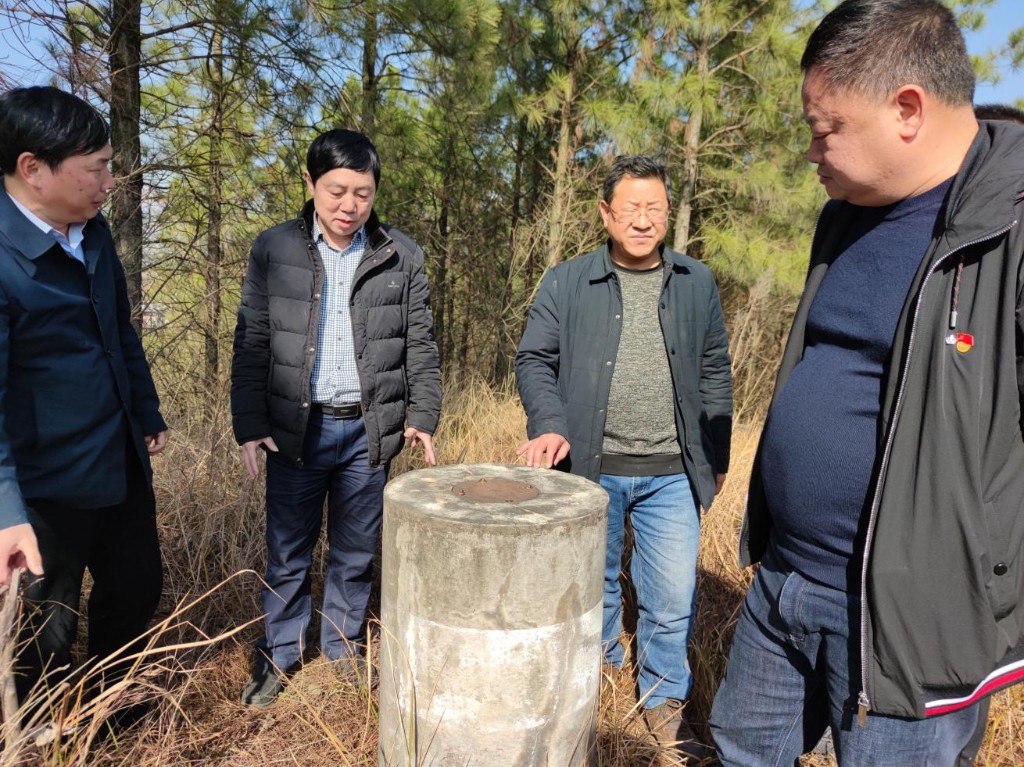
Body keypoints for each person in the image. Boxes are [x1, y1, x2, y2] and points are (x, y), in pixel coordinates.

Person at [708, 2, 1024, 765]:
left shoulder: (1008, 230)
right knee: (740, 750)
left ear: (907, 109)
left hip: (913, 621)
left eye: (826, 129)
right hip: (785, 579)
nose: (811, 151)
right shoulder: (845, 215)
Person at [515, 155, 733, 760]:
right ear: (605, 213)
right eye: (630, 208)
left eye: (654, 208)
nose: (642, 220)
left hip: (673, 471)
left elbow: (715, 370)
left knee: (672, 597)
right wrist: (549, 423)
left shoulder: (696, 282)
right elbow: (534, 359)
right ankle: (605, 683)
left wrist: (716, 453)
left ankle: (664, 705)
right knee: (596, 585)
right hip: (590, 467)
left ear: (668, 213)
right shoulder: (567, 281)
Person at [231, 128, 441, 707]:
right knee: (288, 552)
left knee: (355, 553)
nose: (350, 206)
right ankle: (281, 653)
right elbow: (251, 342)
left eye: (363, 194)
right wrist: (249, 423)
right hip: (296, 430)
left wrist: (422, 414)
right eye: (337, 191)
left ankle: (343, 652)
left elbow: (420, 344)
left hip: (368, 432)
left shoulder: (401, 254)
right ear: (310, 183)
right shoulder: (274, 249)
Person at [0, 86, 168, 704]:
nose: (109, 182)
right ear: (33, 169)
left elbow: (119, 330)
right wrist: (6, 511)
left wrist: (145, 410)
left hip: (118, 459)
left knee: (135, 588)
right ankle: (45, 730)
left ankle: (111, 709)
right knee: (46, 626)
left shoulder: (91, 233)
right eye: (96, 168)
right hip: (44, 484)